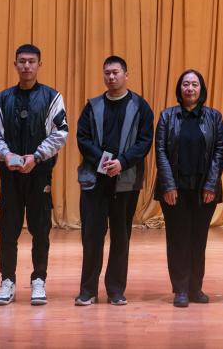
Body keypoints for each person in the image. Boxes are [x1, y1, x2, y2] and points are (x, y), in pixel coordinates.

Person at [0, 44, 68, 306]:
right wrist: (6, 154)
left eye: (31, 61)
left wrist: (38, 156)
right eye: (21, 61)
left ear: (39, 65)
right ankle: (7, 281)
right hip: (10, 176)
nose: (26, 66)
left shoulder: (52, 97)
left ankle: (39, 279)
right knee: (8, 230)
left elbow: (61, 133)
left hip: (39, 174)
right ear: (15, 64)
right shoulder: (1, 99)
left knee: (40, 230)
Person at [74, 55, 153, 306]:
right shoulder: (93, 105)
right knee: (91, 238)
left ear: (126, 75)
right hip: (94, 182)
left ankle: (116, 290)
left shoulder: (140, 106)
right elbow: (82, 138)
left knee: (121, 237)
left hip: (126, 182)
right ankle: (88, 290)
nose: (111, 77)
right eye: (107, 73)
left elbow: (144, 142)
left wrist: (122, 162)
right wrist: (104, 161)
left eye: (115, 72)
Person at [154, 70, 223, 307]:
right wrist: (168, 185)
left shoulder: (214, 117)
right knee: (178, 240)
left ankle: (196, 288)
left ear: (201, 89)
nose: (190, 88)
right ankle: (181, 289)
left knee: (198, 240)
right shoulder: (167, 116)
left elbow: (219, 152)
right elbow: (161, 152)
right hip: (174, 190)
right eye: (186, 84)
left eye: (194, 84)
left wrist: (211, 184)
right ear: (180, 88)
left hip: (204, 190)